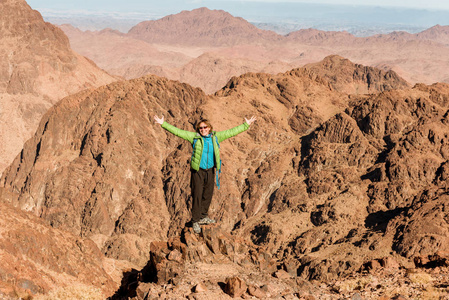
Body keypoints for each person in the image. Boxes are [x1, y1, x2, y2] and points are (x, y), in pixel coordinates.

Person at [154, 115, 256, 234]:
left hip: (210, 170)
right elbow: (178, 132)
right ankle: (195, 220)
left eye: (205, 127)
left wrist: (246, 125)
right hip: (198, 171)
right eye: (200, 128)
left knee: (208, 193)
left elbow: (231, 132)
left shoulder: (216, 137)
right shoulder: (194, 138)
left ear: (209, 128)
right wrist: (163, 123)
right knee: (197, 194)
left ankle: (203, 216)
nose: (203, 129)